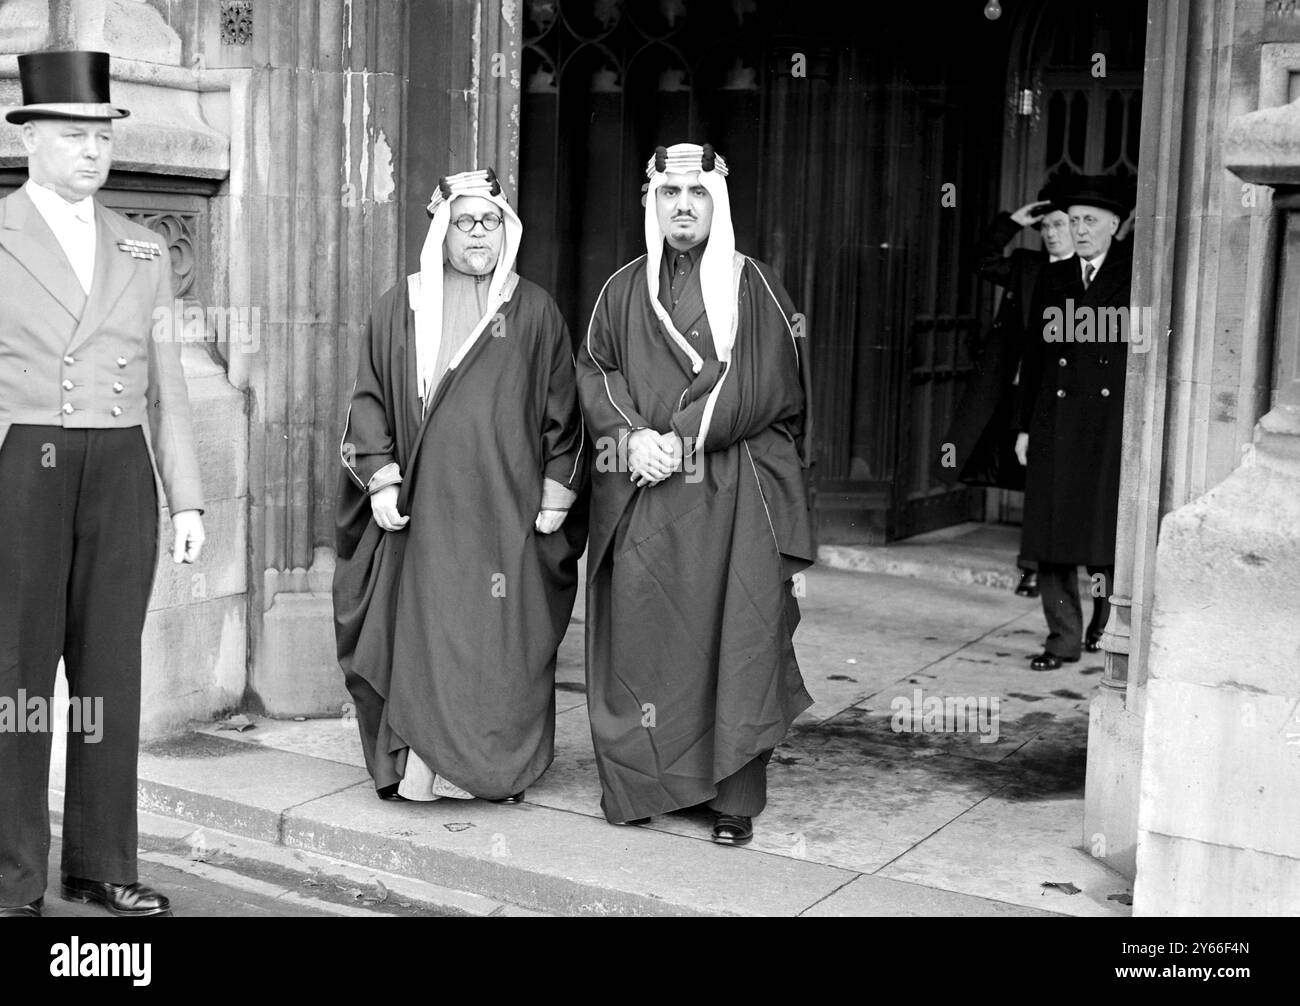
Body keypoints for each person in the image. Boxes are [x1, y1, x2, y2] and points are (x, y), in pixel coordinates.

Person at [0, 50, 205, 918]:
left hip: (121, 470)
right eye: (74, 135)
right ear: (33, 138)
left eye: (101, 135)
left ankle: (99, 862)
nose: (92, 151)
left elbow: (169, 382)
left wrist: (187, 497)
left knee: (110, 674)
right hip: (25, 466)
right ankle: (13, 875)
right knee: (16, 680)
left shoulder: (143, 243)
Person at [576, 143, 814, 846]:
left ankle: (732, 795)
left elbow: (769, 385)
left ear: (718, 202)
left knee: (735, 636)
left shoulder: (754, 285)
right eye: (669, 192)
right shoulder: (621, 289)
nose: (682, 204)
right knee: (648, 637)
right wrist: (633, 438)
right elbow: (595, 370)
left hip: (733, 493)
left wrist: (678, 437)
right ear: (651, 203)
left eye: (697, 192)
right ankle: (649, 781)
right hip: (647, 489)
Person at [333, 168, 587, 805]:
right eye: (465, 221)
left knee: (497, 642)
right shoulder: (402, 304)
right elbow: (367, 401)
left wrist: (560, 489)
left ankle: (489, 770)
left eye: (491, 221)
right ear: (441, 230)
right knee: (424, 638)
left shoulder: (534, 309)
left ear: (508, 230)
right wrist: (381, 481)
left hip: (507, 513)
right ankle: (418, 771)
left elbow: (567, 411)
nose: (479, 233)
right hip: (425, 513)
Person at [1014, 175, 1134, 670]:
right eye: (1074, 221)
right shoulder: (1055, 275)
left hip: (1107, 424)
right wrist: (1024, 427)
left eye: (1090, 221)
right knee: (1051, 535)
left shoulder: (1134, 273)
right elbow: (1037, 358)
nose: (1079, 230)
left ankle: (1103, 626)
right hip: (1055, 421)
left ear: (1114, 225)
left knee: (1100, 538)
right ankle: (1061, 639)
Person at [936, 178, 1076, 599]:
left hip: (1063, 391)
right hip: (1019, 386)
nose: (1051, 233)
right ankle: (1032, 566)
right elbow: (981, 261)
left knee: (1054, 478)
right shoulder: (1026, 266)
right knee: (1031, 473)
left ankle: (1054, 561)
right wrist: (1011, 222)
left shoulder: (1092, 274)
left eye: (1059, 225)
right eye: (1046, 226)